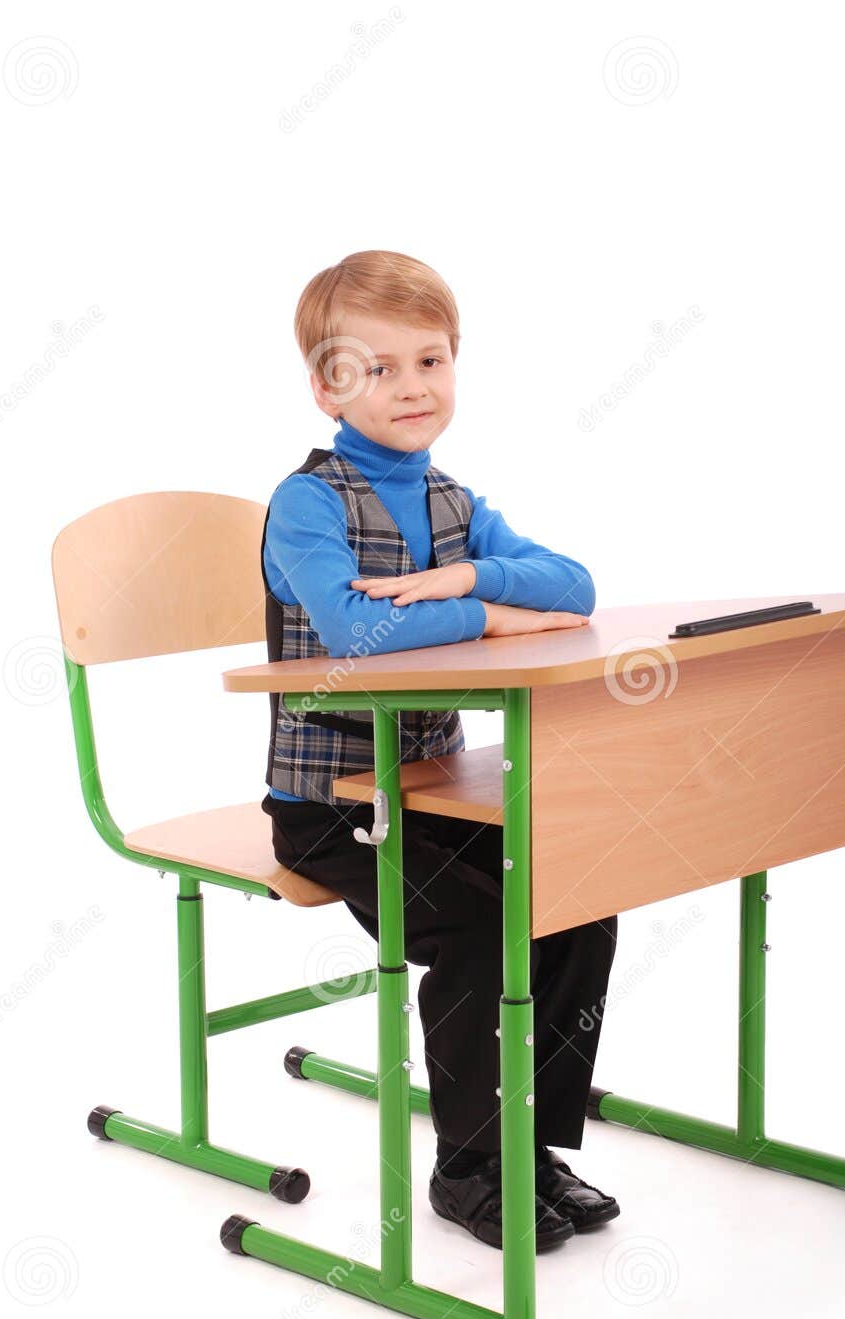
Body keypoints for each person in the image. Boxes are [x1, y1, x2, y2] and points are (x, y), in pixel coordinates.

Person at [260, 248, 619, 1252]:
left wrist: (470, 581)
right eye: (377, 368)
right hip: (330, 806)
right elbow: (354, 632)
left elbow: (576, 586)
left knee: (574, 896)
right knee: (478, 926)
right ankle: (469, 1170)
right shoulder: (309, 503)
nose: (411, 387)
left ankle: (529, 1146)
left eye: (430, 361)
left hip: (423, 791)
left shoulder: (454, 502)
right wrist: (495, 618)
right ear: (329, 384)